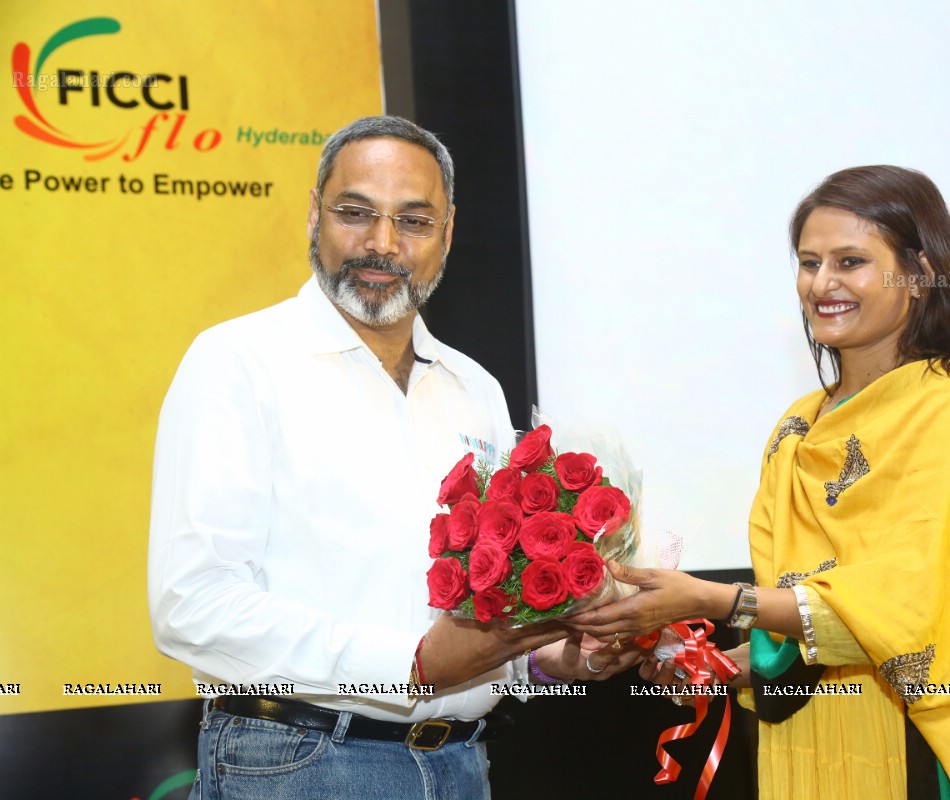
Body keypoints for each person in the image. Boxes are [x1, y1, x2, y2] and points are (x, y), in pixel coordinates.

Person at [569, 166, 950, 798]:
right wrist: (722, 663)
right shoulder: (798, 426)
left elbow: (912, 607)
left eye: (850, 261)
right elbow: (809, 627)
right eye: (809, 263)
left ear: (919, 275)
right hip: (815, 751)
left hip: (935, 744)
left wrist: (713, 601)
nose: (822, 283)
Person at [148, 115, 638, 800]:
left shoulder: (474, 388)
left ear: (448, 233)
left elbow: (479, 627)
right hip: (299, 764)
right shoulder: (240, 363)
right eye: (356, 213)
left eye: (413, 221)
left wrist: (559, 657)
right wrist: (406, 666)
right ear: (314, 216)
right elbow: (191, 605)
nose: (382, 244)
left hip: (462, 764)